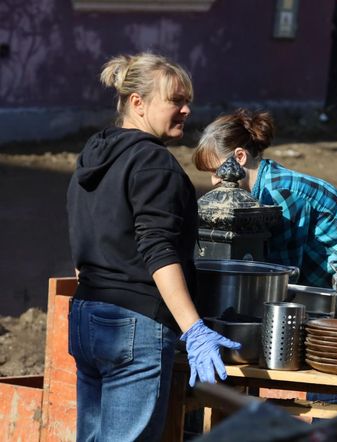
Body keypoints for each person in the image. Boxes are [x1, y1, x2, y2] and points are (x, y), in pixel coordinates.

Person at [66, 52, 240, 441]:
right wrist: (194, 328)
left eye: (186, 101)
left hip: (86, 314)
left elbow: (83, 245)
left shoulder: (90, 160)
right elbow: (158, 250)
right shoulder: (153, 164)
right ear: (137, 103)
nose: (186, 109)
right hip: (134, 324)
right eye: (175, 101)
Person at [192, 108, 337, 288]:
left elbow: (284, 272)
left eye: (216, 170)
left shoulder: (278, 194)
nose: (213, 181)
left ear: (240, 156)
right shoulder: (266, 182)